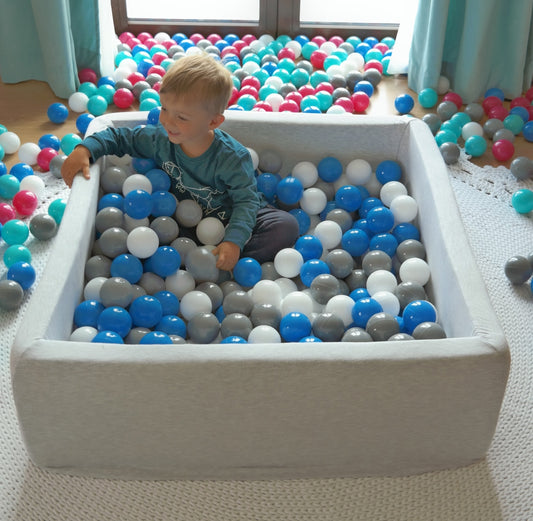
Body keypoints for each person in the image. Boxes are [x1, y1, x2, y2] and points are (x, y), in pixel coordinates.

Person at [61, 53, 299, 271]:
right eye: (164, 108)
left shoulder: (232, 157)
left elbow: (246, 203)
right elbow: (119, 136)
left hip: (237, 217)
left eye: (181, 117)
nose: (168, 121)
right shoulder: (160, 139)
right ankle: (195, 262)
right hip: (183, 220)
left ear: (214, 122)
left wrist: (233, 242)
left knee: (285, 226)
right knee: (159, 233)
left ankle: (225, 264)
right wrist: (85, 149)